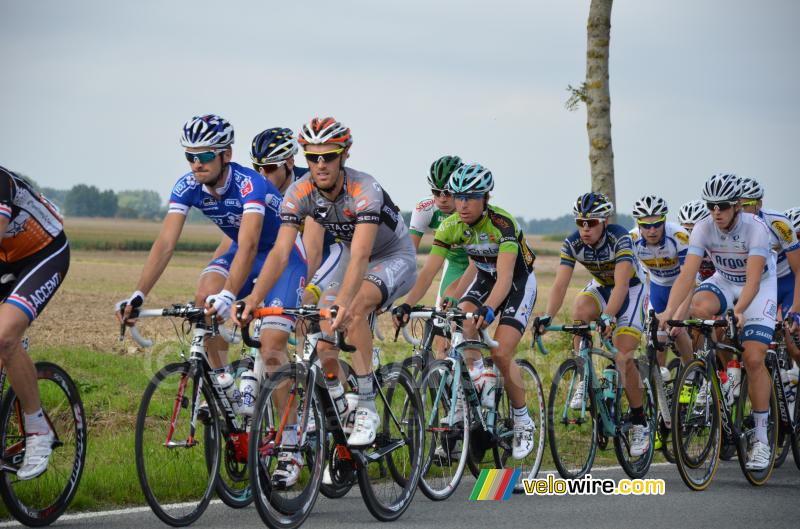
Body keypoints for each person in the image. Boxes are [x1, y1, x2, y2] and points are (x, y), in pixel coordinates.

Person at [115, 115, 308, 485]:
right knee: (203, 297)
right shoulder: (188, 185)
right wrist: (139, 294)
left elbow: (251, 245)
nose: (196, 163)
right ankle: (225, 388)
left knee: (271, 346)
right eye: (190, 156)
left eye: (204, 155)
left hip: (281, 258)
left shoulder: (250, 183)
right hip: (241, 252)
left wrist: (230, 295)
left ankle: (289, 445)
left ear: (226, 154)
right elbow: (166, 243)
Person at [236, 117, 417, 458]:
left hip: (392, 256)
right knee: (319, 324)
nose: (321, 164)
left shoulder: (365, 189)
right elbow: (281, 252)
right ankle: (336, 398)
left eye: (329, 156)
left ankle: (366, 405)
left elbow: (363, 253)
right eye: (313, 157)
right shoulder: (300, 193)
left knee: (354, 307)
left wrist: (345, 302)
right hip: (353, 257)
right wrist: (254, 298)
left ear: (344, 155)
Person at [393, 163, 538, 459]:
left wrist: (488, 309)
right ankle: (476, 382)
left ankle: (523, 419)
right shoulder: (450, 225)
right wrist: (407, 303)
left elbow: (507, 278)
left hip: (517, 283)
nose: (462, 204)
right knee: (458, 322)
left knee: (500, 352)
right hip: (484, 279)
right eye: (458, 197)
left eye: (470, 197)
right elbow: (429, 272)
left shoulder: (503, 224)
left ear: (486, 198)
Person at [658, 174, 777, 470]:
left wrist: (740, 310)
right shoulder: (703, 228)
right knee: (698, 306)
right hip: (724, 279)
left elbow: (751, 282)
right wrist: (670, 312)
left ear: (737, 205)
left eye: (722, 206)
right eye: (711, 206)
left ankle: (761, 439)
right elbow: (687, 276)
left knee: (753, 357)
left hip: (758, 288)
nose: (716, 212)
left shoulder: (756, 229)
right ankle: (719, 368)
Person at [539, 192, 650, 457]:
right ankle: (582, 374)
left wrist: (609, 317)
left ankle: (639, 422)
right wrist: (547, 317)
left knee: (623, 358)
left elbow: (622, 285)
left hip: (631, 291)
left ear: (605, 221)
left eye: (592, 223)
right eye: (580, 223)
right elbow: (560, 284)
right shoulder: (573, 243)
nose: (585, 229)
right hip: (602, 287)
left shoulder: (620, 237)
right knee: (580, 308)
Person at [0, 166, 70, 480]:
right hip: (5, 259)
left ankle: (37, 430)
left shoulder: (1, 181)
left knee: (4, 338)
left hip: (43, 254)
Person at [629, 195, 693, 367]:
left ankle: (692, 373)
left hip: (682, 286)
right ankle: (661, 387)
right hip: (657, 288)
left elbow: (688, 278)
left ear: (665, 221)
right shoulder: (631, 240)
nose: (652, 230)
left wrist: (678, 315)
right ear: (638, 224)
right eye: (646, 226)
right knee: (656, 340)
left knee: (677, 330)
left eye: (657, 224)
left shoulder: (679, 236)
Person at [738, 178, 800, 319]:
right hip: (756, 285)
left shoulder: (778, 223)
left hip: (786, 282)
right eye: (736, 205)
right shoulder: (728, 228)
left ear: (758, 204)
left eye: (745, 205)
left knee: (791, 331)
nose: (740, 211)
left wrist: (796, 310)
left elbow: (799, 269)